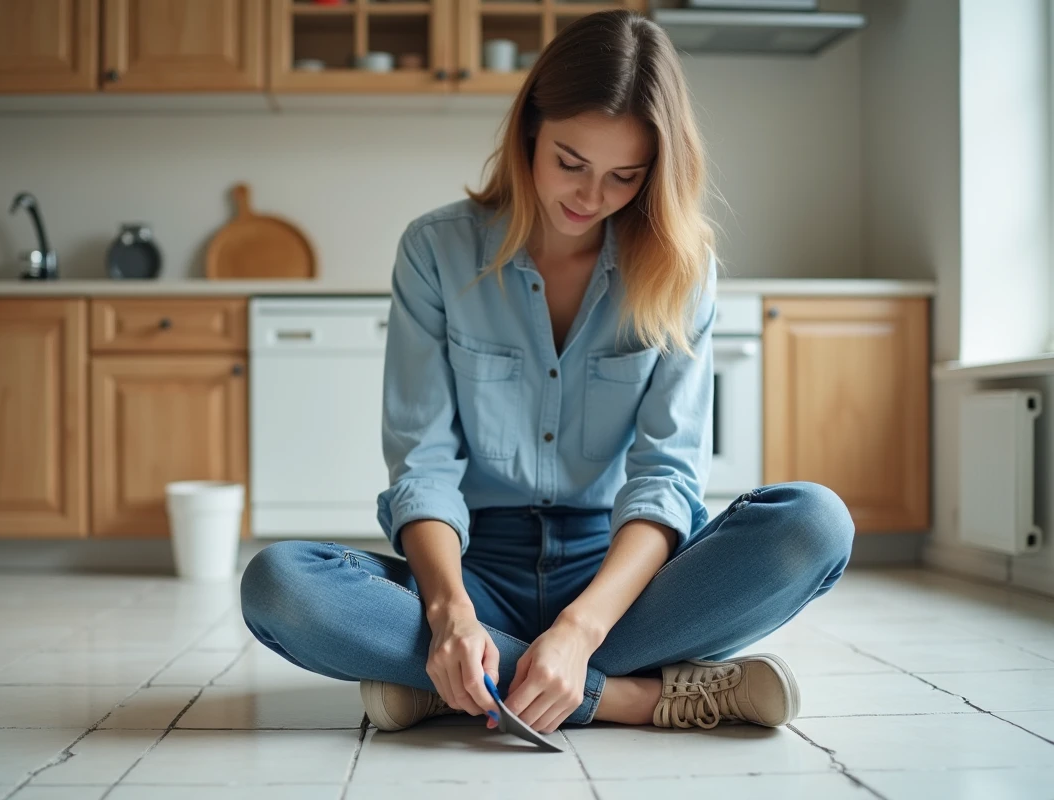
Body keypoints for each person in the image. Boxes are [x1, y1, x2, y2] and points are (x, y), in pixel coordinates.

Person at [241, 8, 854, 736]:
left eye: (624, 176)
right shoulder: (435, 251)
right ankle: (635, 698)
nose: (591, 197)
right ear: (530, 126)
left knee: (814, 524)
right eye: (571, 162)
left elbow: (666, 480)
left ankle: (467, 686)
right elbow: (424, 467)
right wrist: (450, 616)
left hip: (617, 579)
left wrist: (581, 630)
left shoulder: (682, 271)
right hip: (473, 566)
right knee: (279, 586)